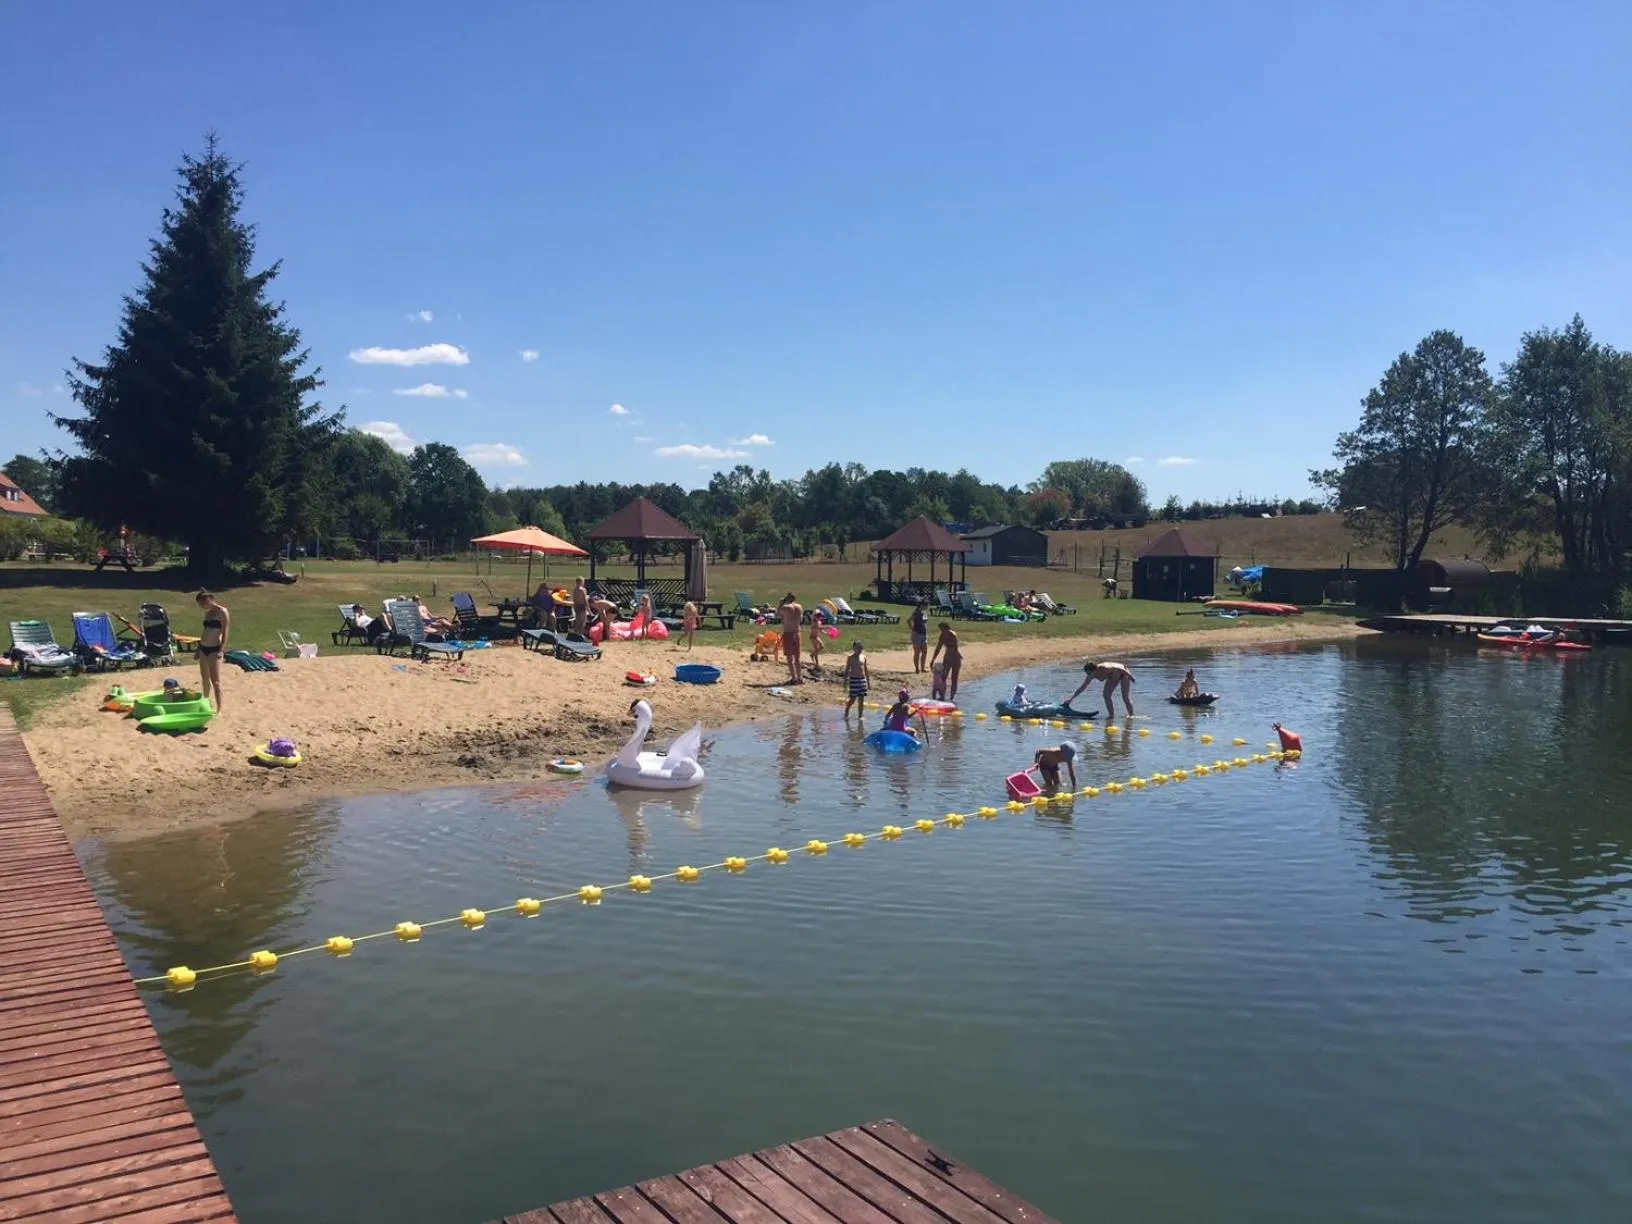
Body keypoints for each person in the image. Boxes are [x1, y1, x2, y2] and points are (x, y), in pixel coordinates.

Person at [195, 590, 229, 711]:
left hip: (215, 649)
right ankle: (206, 704)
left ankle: (219, 709)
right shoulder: (207, 613)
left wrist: (221, 650)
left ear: (209, 600)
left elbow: (225, 633)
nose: (202, 607)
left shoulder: (222, 612)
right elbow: (205, 632)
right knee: (204, 678)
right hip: (204, 648)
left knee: (215, 681)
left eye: (202, 603)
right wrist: (198, 649)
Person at [1069, 660, 1135, 720]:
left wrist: (1130, 676)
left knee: (1125, 696)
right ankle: (1111, 716)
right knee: (1106, 695)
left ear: (1095, 670)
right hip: (1112, 677)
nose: (1088, 675)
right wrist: (1071, 699)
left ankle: (1131, 716)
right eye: (1087, 673)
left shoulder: (1105, 667)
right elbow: (1082, 688)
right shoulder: (1090, 675)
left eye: (1089, 673)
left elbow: (1119, 668)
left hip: (1124, 673)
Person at [929, 621, 962, 702]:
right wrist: (932, 659)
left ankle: (951, 698)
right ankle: (942, 696)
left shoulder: (952, 634)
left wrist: (951, 657)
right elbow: (938, 648)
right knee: (943, 677)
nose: (942, 631)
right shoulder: (942, 636)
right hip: (947, 658)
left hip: (956, 658)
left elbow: (955, 647)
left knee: (954, 678)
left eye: (943, 629)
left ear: (947, 628)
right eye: (941, 630)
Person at [778, 593, 803, 684]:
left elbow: (777, 614)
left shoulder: (786, 608)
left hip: (788, 632)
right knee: (797, 658)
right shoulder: (799, 607)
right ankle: (800, 677)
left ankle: (794, 678)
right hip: (797, 632)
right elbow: (801, 619)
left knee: (789, 658)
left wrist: (781, 604)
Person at [843, 640, 870, 716]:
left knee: (861, 700)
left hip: (862, 679)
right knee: (853, 699)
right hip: (854, 680)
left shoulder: (863, 657)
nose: (860, 649)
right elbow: (847, 670)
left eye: (861, 648)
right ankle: (847, 710)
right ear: (854, 648)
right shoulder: (850, 657)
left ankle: (860, 716)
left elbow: (866, 670)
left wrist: (868, 682)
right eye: (858, 647)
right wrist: (845, 682)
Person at [909, 599, 929, 673]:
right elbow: (909, 620)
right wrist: (912, 630)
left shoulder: (924, 613)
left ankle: (922, 668)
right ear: (922, 605)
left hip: (924, 634)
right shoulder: (916, 613)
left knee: (924, 651)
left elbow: (925, 623)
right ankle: (917, 668)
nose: (927, 607)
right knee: (917, 652)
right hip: (917, 634)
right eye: (926, 605)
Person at [808, 609, 826, 674]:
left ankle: (816, 663)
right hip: (813, 637)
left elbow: (820, 629)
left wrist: (826, 633)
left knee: (817, 650)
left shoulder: (819, 622)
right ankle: (812, 655)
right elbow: (818, 627)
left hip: (816, 637)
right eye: (820, 616)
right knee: (822, 646)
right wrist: (828, 627)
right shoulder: (814, 621)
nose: (821, 617)